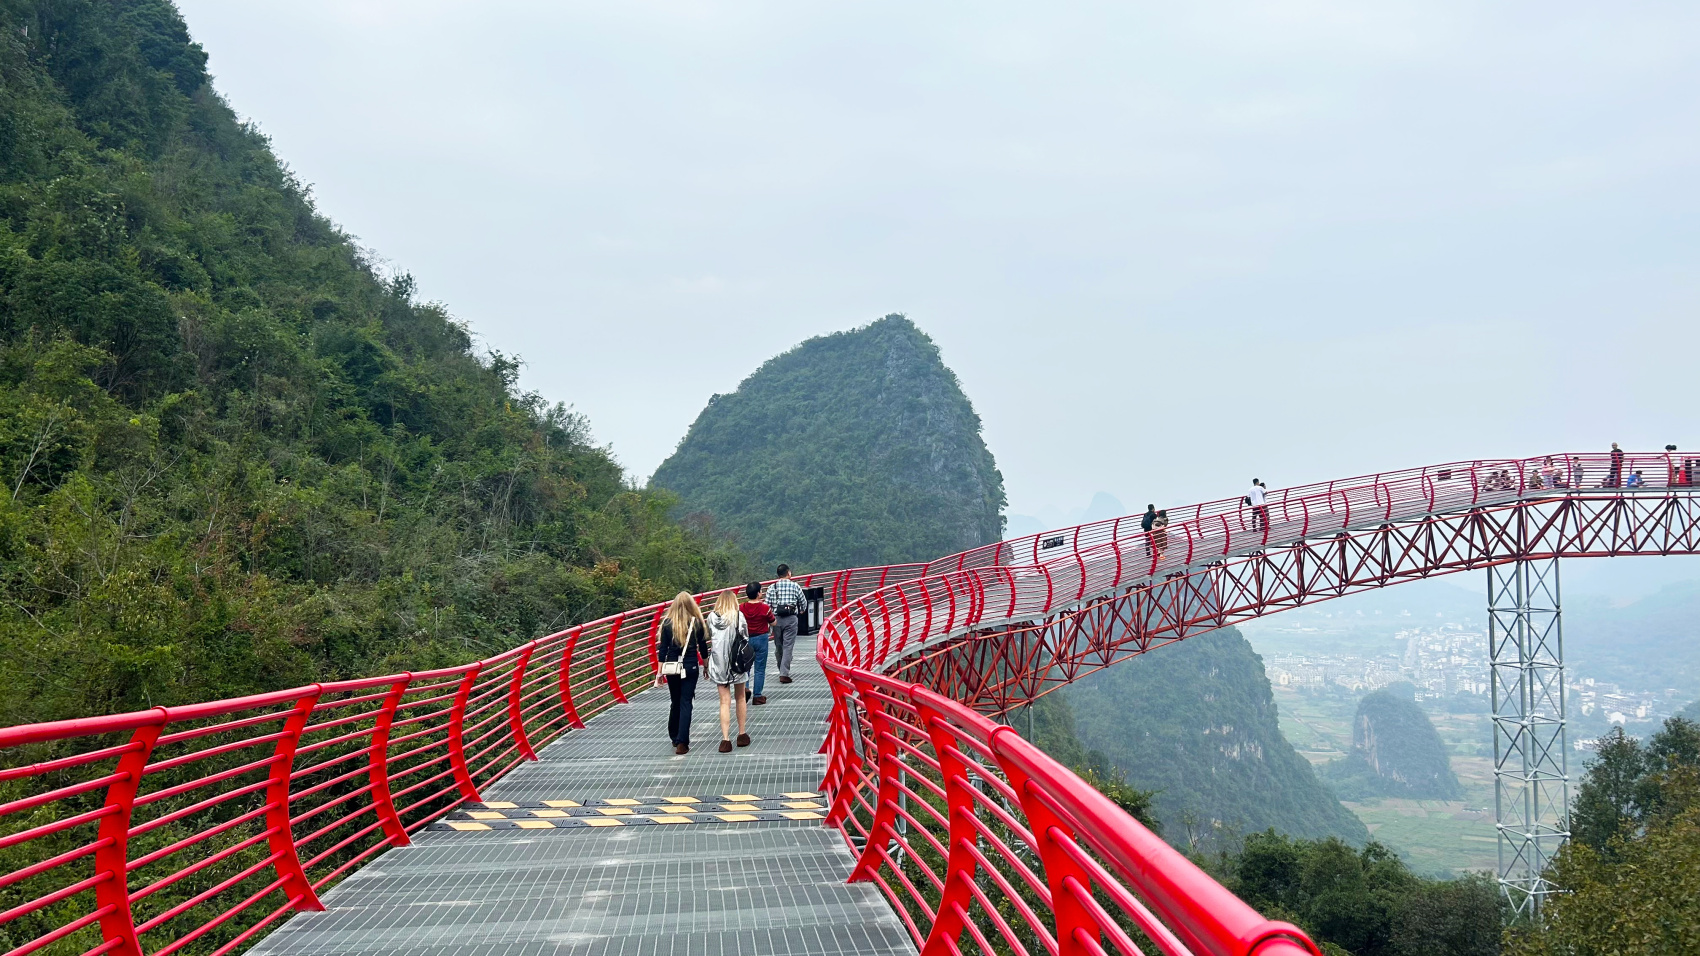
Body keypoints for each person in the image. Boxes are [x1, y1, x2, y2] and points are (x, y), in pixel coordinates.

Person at [655, 591, 709, 755]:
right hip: (691, 666)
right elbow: (703, 647)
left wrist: (659, 673)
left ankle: (674, 735)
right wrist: (706, 666)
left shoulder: (667, 623)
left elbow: (662, 650)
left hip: (672, 667)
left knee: (675, 701)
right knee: (686, 702)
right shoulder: (697, 623)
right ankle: (683, 742)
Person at [705, 590, 752, 752]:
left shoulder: (711, 617)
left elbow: (708, 636)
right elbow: (745, 637)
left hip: (719, 664)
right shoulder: (738, 616)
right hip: (737, 663)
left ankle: (725, 740)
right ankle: (741, 734)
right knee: (740, 697)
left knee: (724, 701)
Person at [766, 565, 805, 685]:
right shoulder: (795, 586)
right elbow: (802, 601)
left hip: (775, 619)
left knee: (779, 645)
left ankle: (781, 668)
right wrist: (802, 609)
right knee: (788, 646)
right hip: (791, 619)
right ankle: (784, 673)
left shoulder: (772, 587)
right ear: (788, 573)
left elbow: (767, 605)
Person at [739, 582, 775, 704]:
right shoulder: (765, 608)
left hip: (746, 639)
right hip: (761, 638)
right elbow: (773, 622)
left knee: (746, 667)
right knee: (760, 668)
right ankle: (757, 696)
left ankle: (745, 690)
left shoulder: (741, 607)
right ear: (758, 593)